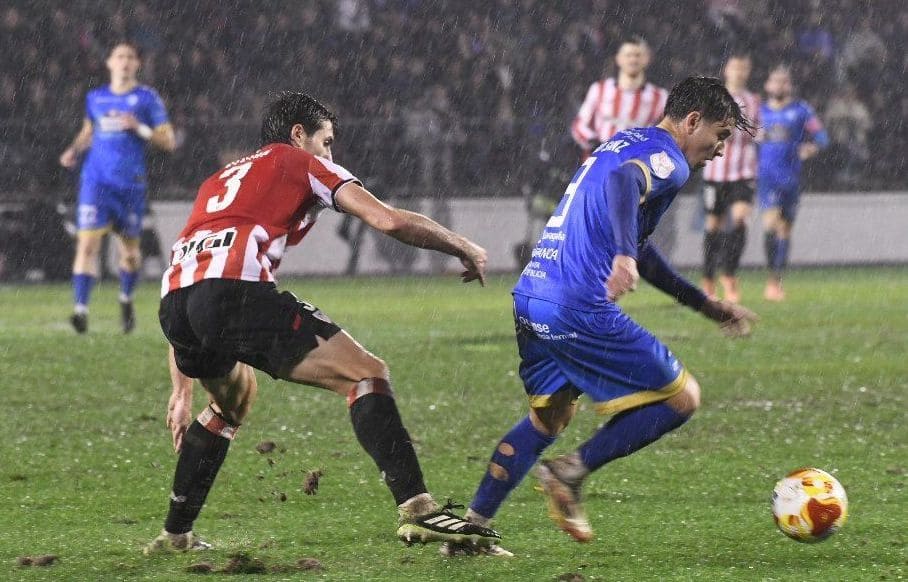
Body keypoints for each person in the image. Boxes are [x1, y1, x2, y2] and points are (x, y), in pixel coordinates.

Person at [144, 91, 501, 554]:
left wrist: (181, 391)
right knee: (366, 374)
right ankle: (419, 509)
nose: (330, 154)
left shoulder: (219, 180)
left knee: (233, 402)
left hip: (175, 305)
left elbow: (193, 275)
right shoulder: (300, 162)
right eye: (326, 141)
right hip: (231, 293)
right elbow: (388, 220)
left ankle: (175, 535)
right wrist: (462, 246)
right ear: (299, 135)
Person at [446, 77, 758, 556]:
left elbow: (640, 244)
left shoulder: (625, 141)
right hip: (576, 304)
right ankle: (570, 472)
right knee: (681, 399)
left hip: (532, 295)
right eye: (719, 136)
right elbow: (624, 184)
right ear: (692, 121)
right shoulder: (669, 159)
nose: (719, 150)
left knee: (547, 419)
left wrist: (705, 304)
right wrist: (622, 256)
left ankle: (470, 532)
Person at [59, 41, 176, 333]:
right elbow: (89, 131)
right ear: (109, 63)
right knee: (87, 245)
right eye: (119, 56)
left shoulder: (147, 98)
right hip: (95, 182)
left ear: (137, 64)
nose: (124, 61)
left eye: (129, 57)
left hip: (130, 185)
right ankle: (80, 310)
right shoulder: (95, 98)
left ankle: (125, 298)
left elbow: (168, 141)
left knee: (130, 254)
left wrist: (139, 128)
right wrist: (73, 149)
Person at [758, 65, 828, 301]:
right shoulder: (759, 112)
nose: (780, 85)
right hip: (767, 177)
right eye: (775, 81)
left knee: (785, 230)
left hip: (791, 179)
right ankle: (771, 280)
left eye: (784, 81)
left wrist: (812, 147)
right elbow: (744, 137)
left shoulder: (801, 110)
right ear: (768, 85)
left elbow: (822, 136)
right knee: (771, 224)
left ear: (789, 85)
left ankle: (777, 280)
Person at [700, 54, 760, 303]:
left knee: (740, 219)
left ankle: (729, 274)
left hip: (743, 172)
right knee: (713, 225)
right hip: (715, 172)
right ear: (727, 70)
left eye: (744, 68)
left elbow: (758, 131)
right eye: (736, 67)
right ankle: (708, 277)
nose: (739, 72)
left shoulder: (754, 101)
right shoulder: (713, 98)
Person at [570, 36, 668, 160]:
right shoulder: (599, 89)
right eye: (628, 55)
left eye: (638, 55)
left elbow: (668, 132)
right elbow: (579, 125)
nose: (633, 60)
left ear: (647, 59)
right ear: (618, 59)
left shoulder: (659, 97)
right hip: (599, 163)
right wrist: (594, 143)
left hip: (635, 164)